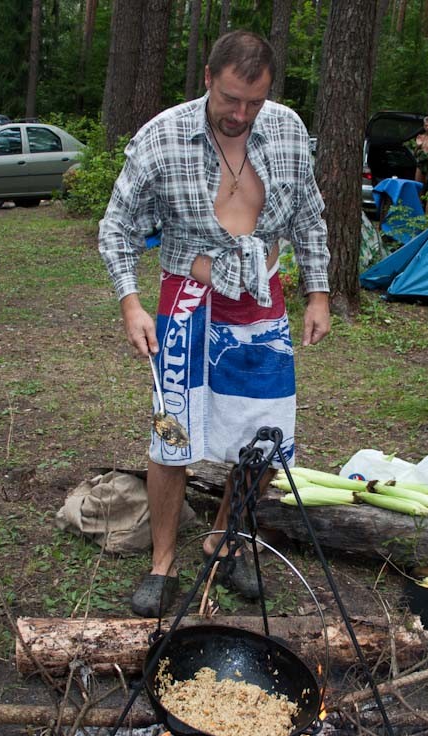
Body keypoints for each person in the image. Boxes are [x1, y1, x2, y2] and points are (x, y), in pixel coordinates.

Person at [98, 30, 330, 617]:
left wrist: (318, 293)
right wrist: (130, 302)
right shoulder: (163, 135)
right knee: (172, 436)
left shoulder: (285, 129)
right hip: (187, 300)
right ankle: (162, 563)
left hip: (263, 302)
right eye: (231, 99)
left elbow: (309, 214)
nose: (241, 114)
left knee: (261, 437)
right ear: (208, 78)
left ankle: (223, 543)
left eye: (253, 102)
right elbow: (118, 226)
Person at [413, 115, 428, 184]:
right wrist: (418, 146)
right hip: (421, 164)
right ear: (424, 126)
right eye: (426, 125)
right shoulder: (421, 137)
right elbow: (414, 154)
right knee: (418, 185)